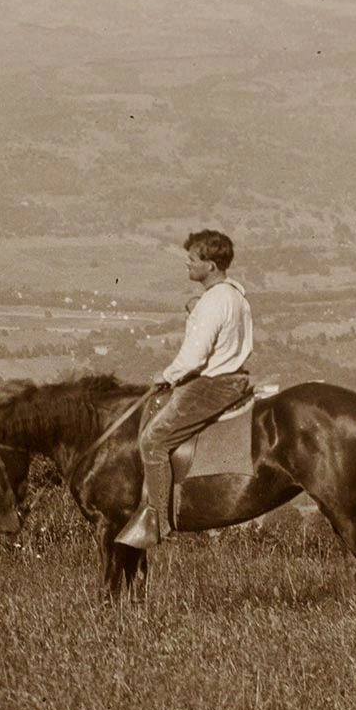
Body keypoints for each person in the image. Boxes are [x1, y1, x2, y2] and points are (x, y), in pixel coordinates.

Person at [116, 229, 253, 548]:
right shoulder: (235, 295)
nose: (187, 264)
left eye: (193, 259)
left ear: (212, 265)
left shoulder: (213, 301)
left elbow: (195, 356)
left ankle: (157, 520)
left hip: (211, 385)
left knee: (153, 440)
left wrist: (166, 374)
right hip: (236, 378)